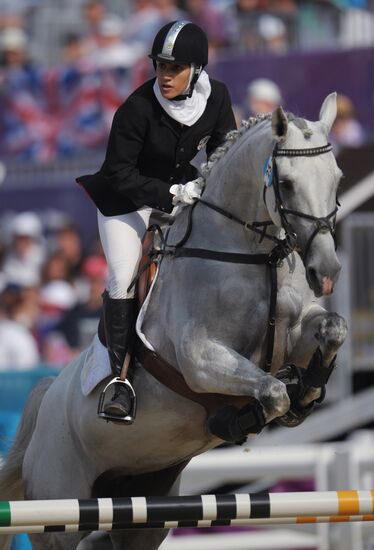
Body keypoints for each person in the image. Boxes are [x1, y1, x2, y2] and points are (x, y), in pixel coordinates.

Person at [77, 20, 236, 421]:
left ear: (196, 69)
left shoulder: (216, 97)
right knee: (123, 277)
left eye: (174, 68)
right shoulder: (136, 108)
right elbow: (120, 173)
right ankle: (120, 381)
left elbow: (224, 150)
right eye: (160, 66)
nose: (164, 76)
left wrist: (209, 182)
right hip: (125, 204)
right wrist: (171, 194)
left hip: (179, 195)